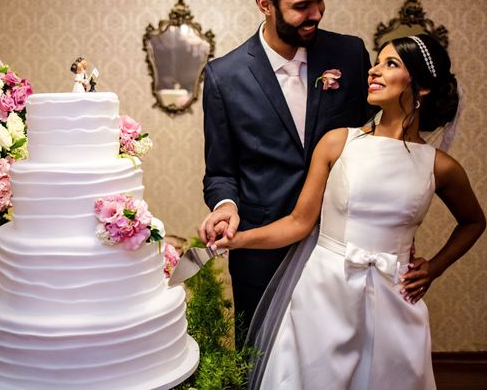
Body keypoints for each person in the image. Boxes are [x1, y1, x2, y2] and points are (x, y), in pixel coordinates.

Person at [206, 34, 486, 389]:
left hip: (394, 302)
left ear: (422, 87)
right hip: (325, 294)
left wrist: (434, 267)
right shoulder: (339, 142)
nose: (374, 71)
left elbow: (474, 222)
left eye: (391, 64)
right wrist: (237, 239)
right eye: (377, 61)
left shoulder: (440, 166)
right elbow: (298, 223)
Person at [199, 0, 372, 346]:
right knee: (260, 366)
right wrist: (226, 208)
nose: (316, 13)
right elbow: (221, 172)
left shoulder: (350, 54)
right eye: (301, 6)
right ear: (265, 3)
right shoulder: (224, 77)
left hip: (343, 248)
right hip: (261, 254)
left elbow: (376, 145)